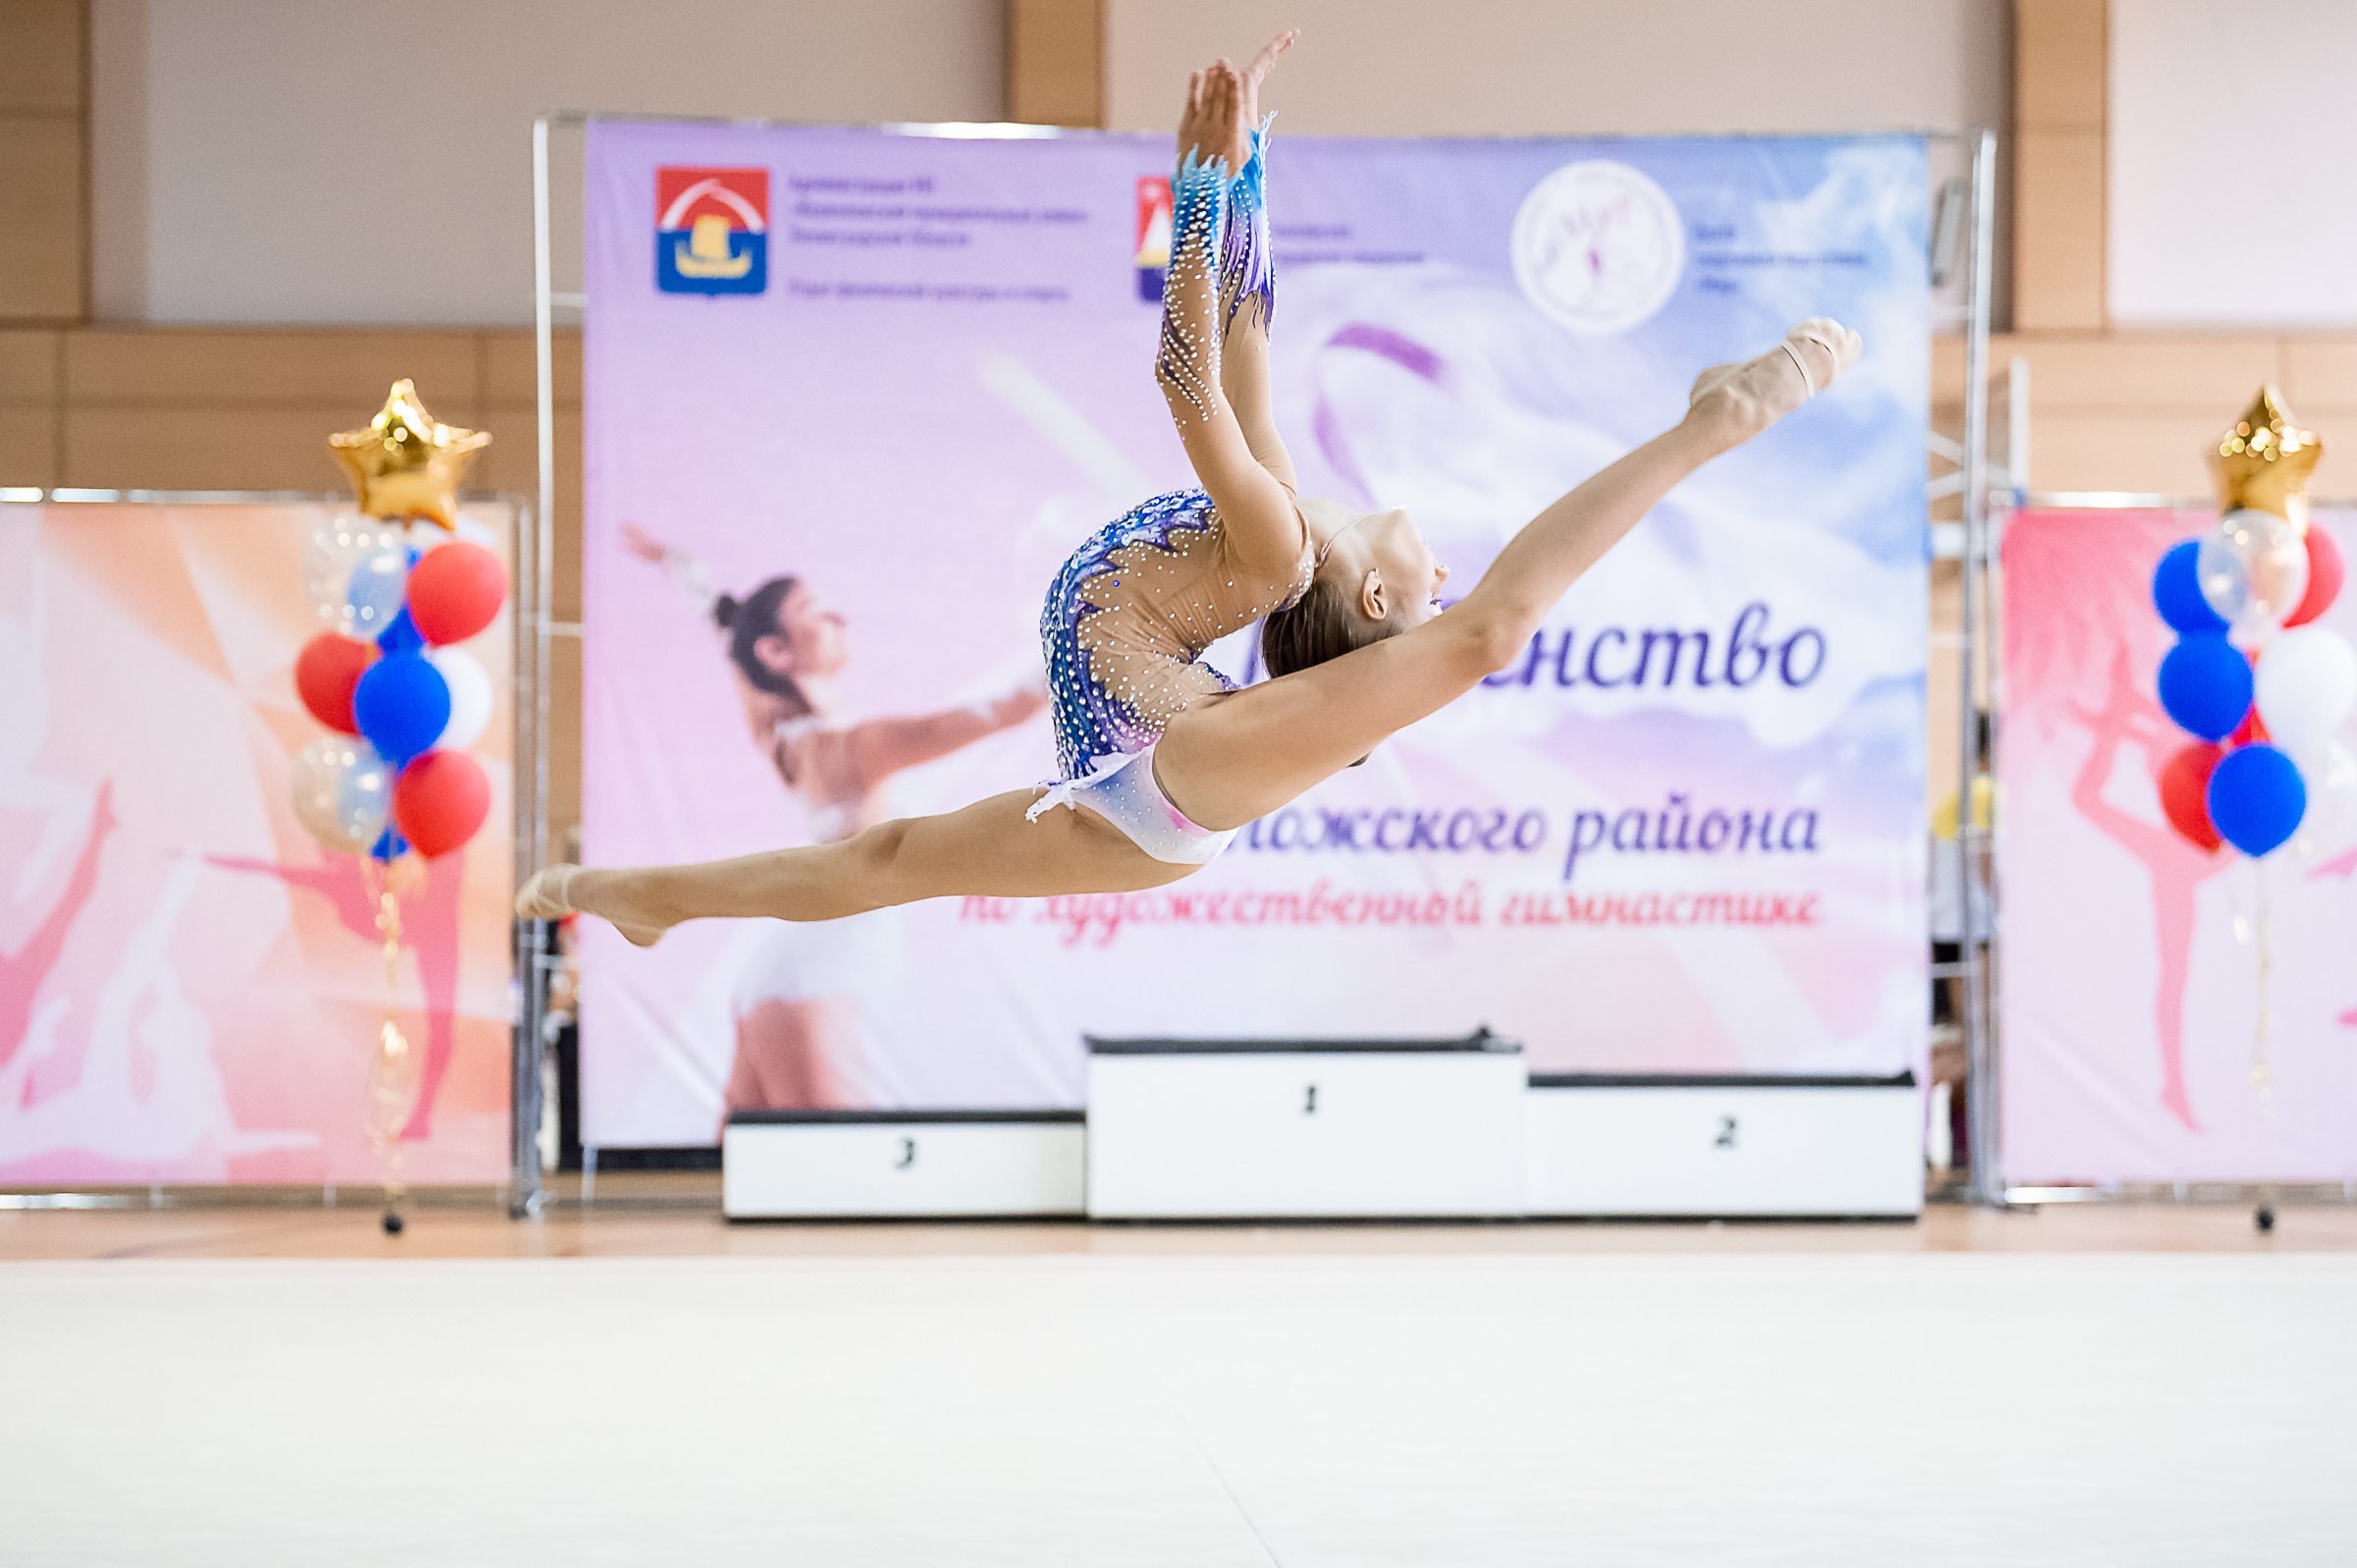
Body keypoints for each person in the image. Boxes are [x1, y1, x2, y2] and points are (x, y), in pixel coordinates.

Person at [519, 35, 1861, 946]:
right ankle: (645, 897)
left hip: (1168, 763)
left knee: (1492, 635)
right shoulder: (1289, 512)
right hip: (1149, 775)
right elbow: (1244, 343)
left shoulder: (1277, 547)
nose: (1441, 562)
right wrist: (1248, 172)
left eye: (1424, 586)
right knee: (881, 865)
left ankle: (1714, 421)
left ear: (1374, 597)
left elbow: (1180, 377)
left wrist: (1198, 185)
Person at [616, 525, 1046, 1110]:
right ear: (776, 651)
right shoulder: (855, 749)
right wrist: (1099, 640)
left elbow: (728, 636)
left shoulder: (780, 737)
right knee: (832, 1177)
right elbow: (1001, 710)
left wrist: (679, 565)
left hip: (793, 968)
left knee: (763, 1176)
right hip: (817, 973)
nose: (839, 618)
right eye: (818, 613)